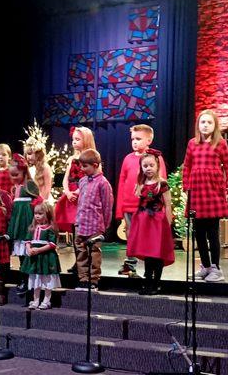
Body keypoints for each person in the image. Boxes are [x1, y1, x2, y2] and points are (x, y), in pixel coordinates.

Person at [182, 109, 228, 282]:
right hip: (197, 192)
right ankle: (205, 266)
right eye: (202, 122)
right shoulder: (192, 143)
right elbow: (187, 166)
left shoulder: (220, 143)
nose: (205, 125)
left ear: (215, 126)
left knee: (212, 232)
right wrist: (186, 186)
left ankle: (216, 269)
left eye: (209, 122)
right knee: (198, 233)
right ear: (198, 125)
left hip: (213, 191)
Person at [115, 124, 167, 276]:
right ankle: (130, 263)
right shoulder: (127, 159)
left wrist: (159, 207)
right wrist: (120, 209)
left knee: (147, 236)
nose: (135, 142)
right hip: (129, 205)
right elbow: (122, 183)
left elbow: (161, 182)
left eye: (138, 138)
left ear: (149, 139)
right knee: (131, 234)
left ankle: (149, 267)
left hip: (147, 206)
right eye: (133, 139)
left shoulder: (156, 159)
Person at [127, 149, 175, 295]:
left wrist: (167, 223)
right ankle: (147, 282)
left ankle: (156, 283)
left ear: (157, 166)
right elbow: (139, 203)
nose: (148, 168)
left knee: (157, 253)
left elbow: (168, 205)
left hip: (158, 223)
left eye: (151, 165)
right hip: (144, 222)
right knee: (148, 254)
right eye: (145, 166)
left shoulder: (162, 184)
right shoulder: (141, 184)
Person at [75, 149, 113, 291]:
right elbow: (81, 202)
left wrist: (104, 225)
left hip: (95, 224)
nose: (82, 169)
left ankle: (94, 279)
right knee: (81, 251)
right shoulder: (83, 181)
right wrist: (77, 221)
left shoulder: (103, 183)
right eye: (81, 165)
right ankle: (83, 278)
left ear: (95, 165)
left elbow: (107, 205)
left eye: (85, 166)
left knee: (94, 252)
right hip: (81, 222)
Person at [7, 153, 39, 295]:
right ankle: (23, 279)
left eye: (16, 175)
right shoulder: (16, 187)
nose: (13, 178)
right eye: (11, 175)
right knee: (20, 252)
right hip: (18, 224)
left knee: (27, 253)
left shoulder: (29, 185)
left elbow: (38, 201)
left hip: (27, 223)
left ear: (24, 172)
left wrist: (34, 223)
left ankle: (28, 281)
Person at [20, 200, 61, 310]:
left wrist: (38, 250)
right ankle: (36, 300)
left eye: (40, 214)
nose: (37, 216)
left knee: (47, 279)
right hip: (35, 258)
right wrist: (29, 249)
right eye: (35, 213)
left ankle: (46, 300)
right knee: (36, 278)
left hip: (46, 257)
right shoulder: (33, 228)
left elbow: (52, 244)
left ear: (47, 214)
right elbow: (28, 240)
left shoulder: (50, 228)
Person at [55, 126, 96, 233]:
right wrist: (68, 192)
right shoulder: (72, 159)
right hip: (71, 193)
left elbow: (90, 179)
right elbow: (66, 179)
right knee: (71, 220)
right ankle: (76, 246)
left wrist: (78, 192)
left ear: (86, 141)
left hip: (83, 193)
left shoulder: (91, 159)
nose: (74, 142)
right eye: (73, 139)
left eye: (77, 140)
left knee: (81, 223)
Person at [22, 121, 53, 201]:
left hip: (42, 200)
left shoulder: (45, 167)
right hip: (31, 200)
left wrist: (41, 201)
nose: (28, 157)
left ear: (38, 154)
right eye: (27, 154)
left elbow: (47, 188)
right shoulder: (30, 168)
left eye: (31, 154)